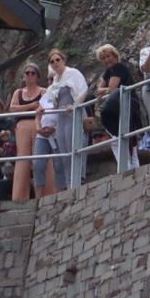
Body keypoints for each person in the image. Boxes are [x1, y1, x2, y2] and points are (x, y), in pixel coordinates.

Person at [38, 49, 87, 194]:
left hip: (72, 113)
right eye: (52, 61)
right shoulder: (55, 81)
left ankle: (79, 180)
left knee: (75, 145)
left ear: (63, 60)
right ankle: (69, 183)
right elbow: (50, 100)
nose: (55, 63)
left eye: (57, 60)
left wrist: (75, 105)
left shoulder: (73, 73)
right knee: (64, 150)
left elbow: (83, 90)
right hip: (61, 117)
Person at [93, 45, 143, 172]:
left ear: (115, 56)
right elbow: (98, 90)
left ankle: (133, 165)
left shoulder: (119, 68)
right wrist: (104, 90)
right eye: (103, 58)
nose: (107, 60)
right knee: (117, 138)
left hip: (127, 103)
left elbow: (111, 88)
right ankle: (124, 167)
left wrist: (104, 90)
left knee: (127, 136)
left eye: (108, 56)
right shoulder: (108, 72)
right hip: (116, 106)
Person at [6, 64, 46, 201]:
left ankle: (42, 193)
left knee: (38, 159)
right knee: (22, 160)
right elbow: (12, 108)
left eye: (32, 73)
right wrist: (30, 107)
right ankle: (19, 196)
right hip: (22, 127)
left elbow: (46, 107)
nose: (29, 75)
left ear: (38, 76)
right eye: (27, 73)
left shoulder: (43, 92)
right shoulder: (18, 92)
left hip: (37, 125)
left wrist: (28, 109)